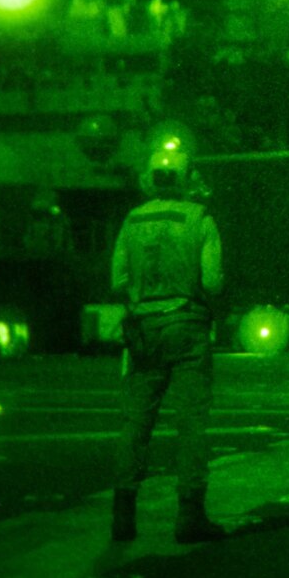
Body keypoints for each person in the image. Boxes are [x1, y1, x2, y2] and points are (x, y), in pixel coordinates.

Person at [110, 147, 226, 544]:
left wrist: (140, 304)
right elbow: (212, 282)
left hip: (143, 328)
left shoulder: (131, 219)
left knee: (136, 422)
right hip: (188, 325)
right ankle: (190, 516)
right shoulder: (200, 218)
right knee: (192, 422)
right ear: (185, 178)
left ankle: (123, 517)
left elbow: (117, 279)